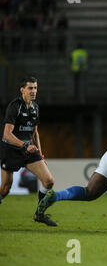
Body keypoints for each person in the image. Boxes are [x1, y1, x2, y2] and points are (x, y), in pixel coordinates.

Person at [0, 76, 57, 226]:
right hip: (11, 150)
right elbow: (6, 134)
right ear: (22, 90)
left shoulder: (35, 107)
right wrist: (24, 145)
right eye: (30, 88)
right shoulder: (15, 106)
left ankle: (39, 214)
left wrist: (41, 154)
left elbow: (35, 132)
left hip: (29, 150)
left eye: (35, 88)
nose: (33, 91)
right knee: (5, 189)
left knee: (49, 181)